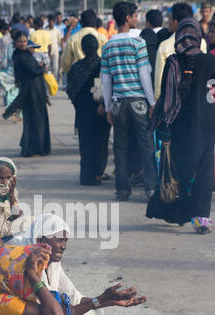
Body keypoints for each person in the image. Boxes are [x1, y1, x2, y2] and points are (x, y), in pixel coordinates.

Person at [10, 213, 147, 315]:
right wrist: (99, 300)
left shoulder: (53, 265)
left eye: (65, 241)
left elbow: (75, 298)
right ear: (39, 239)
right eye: (59, 240)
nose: (64, 246)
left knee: (96, 313)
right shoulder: (28, 266)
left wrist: (109, 300)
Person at [147, 18, 215, 233]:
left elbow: (169, 100)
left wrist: (164, 127)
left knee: (179, 172)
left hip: (180, 129)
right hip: (207, 127)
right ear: (198, 36)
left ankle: (177, 213)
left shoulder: (174, 62)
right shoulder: (211, 62)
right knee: (204, 173)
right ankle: (202, 218)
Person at [101, 2, 157, 201]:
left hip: (118, 102)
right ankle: (151, 188)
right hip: (138, 100)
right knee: (146, 144)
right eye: (135, 16)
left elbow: (106, 81)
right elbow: (144, 74)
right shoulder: (138, 43)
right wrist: (152, 102)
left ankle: (123, 190)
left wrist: (108, 106)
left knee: (120, 147)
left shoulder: (108, 46)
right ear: (127, 18)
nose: (137, 19)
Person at [67, 35, 111, 186]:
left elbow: (70, 90)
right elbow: (109, 86)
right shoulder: (103, 65)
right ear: (98, 47)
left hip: (82, 110)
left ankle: (86, 176)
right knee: (101, 143)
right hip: (99, 109)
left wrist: (78, 104)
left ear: (82, 48)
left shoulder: (76, 67)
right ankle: (98, 174)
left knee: (85, 145)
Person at [3, 32, 51, 157]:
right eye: (20, 42)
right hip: (32, 92)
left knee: (34, 120)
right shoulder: (21, 56)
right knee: (36, 120)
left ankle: (33, 147)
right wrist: (42, 67)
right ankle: (36, 148)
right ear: (16, 43)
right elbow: (33, 70)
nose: (23, 44)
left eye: (25, 41)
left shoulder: (24, 54)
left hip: (34, 91)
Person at [154, 3, 207, 99]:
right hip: (195, 98)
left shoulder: (164, 46)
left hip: (172, 100)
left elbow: (159, 81)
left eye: (170, 19)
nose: (168, 22)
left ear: (175, 22)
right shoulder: (202, 43)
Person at [61, 9, 107, 74]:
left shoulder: (72, 39)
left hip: (78, 77)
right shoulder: (103, 38)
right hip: (98, 77)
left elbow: (66, 63)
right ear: (95, 23)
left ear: (81, 22)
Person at [46, 15, 61, 79]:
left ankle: (55, 81)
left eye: (52, 22)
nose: (51, 23)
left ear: (54, 22)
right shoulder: (45, 30)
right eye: (50, 22)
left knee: (55, 67)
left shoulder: (57, 30)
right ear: (48, 22)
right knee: (48, 67)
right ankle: (49, 81)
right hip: (47, 51)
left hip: (55, 50)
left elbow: (59, 40)